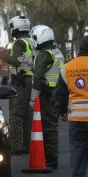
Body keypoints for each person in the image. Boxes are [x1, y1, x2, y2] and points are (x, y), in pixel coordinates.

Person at [0, 16, 36, 155]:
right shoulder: (31, 41)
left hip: (20, 82)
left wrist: (1, 55)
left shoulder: (19, 43)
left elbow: (16, 61)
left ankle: (17, 146)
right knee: (28, 115)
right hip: (30, 80)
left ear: (16, 28)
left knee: (17, 115)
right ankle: (28, 145)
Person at [55, 35, 88, 177]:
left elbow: (60, 94)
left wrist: (61, 111)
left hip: (77, 119)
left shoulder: (67, 67)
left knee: (77, 153)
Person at [28, 25, 64, 169]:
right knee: (52, 126)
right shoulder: (57, 52)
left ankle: (50, 158)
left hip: (46, 95)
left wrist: (32, 98)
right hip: (56, 93)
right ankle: (52, 156)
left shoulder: (43, 54)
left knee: (48, 127)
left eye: (34, 37)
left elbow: (37, 79)